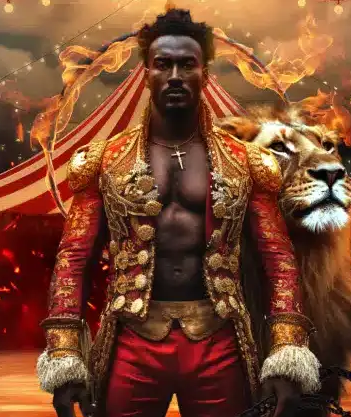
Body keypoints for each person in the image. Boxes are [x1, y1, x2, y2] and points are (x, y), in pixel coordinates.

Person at [36, 9, 319, 417]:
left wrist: (287, 349)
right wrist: (64, 357)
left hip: (218, 338)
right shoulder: (104, 160)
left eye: (186, 64)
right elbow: (73, 259)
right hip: (131, 338)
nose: (174, 76)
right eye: (162, 64)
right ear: (146, 73)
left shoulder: (246, 162)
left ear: (205, 74)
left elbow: (278, 260)